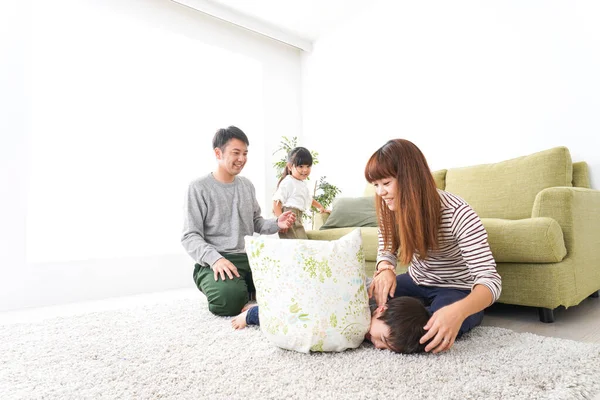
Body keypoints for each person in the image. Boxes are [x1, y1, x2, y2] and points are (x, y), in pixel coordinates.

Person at [365, 139, 502, 354]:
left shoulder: (458, 214)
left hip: (456, 287)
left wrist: (458, 312)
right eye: (376, 185)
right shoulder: (390, 208)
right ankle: (387, 322)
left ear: (410, 179)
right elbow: (387, 249)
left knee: (429, 332)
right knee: (363, 298)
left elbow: (490, 281)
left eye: (386, 183)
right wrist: (384, 268)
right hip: (416, 280)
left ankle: (457, 314)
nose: (380, 192)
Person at [181, 126, 296, 317]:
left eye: (245, 153)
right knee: (228, 301)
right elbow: (189, 236)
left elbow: (256, 222)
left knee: (292, 282)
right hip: (217, 260)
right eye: (236, 153)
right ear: (218, 153)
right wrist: (215, 259)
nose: (242, 159)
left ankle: (248, 289)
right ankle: (233, 288)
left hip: (249, 258)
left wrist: (277, 223)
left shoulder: (247, 186)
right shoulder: (198, 188)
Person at [231, 295, 432, 354]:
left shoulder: (379, 325)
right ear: (381, 310)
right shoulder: (361, 304)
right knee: (291, 317)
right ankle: (252, 312)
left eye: (386, 347)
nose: (378, 345)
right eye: (383, 339)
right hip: (314, 303)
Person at [272, 147, 329, 239]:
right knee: (298, 245)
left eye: (308, 166)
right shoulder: (288, 181)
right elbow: (276, 202)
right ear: (290, 166)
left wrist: (320, 207)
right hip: (289, 218)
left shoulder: (301, 183)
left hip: (297, 218)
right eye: (301, 166)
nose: (305, 170)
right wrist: (280, 220)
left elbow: (308, 198)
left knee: (301, 244)